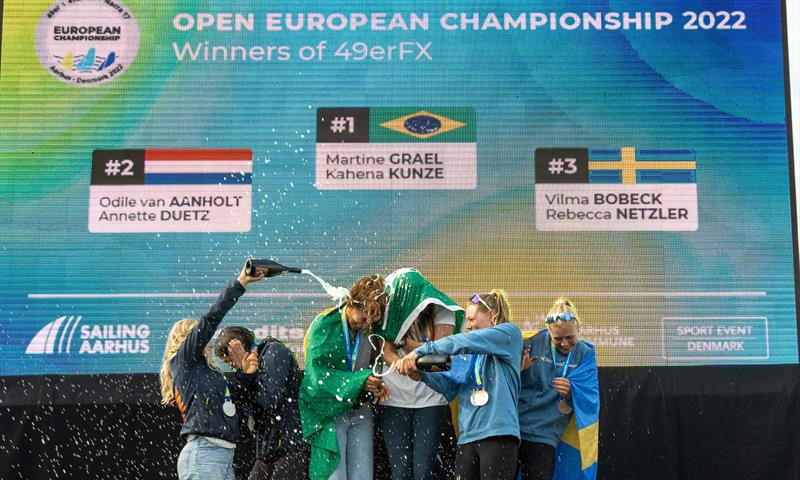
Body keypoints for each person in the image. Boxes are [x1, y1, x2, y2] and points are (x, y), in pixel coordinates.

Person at [395, 290, 523, 480]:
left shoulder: (509, 335)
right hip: (468, 437)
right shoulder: (468, 353)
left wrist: (422, 350)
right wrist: (421, 376)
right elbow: (449, 388)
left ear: (492, 314)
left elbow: (464, 341)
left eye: (471, 319)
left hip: (498, 434)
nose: (468, 326)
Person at [159, 265, 264, 480]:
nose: (208, 339)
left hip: (221, 455)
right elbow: (210, 320)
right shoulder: (182, 360)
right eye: (197, 333)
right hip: (204, 455)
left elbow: (234, 401)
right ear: (186, 339)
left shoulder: (206, 373)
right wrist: (240, 283)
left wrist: (245, 372)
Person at [299, 275, 389, 480]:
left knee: (363, 475)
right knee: (335, 475)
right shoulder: (324, 326)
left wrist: (376, 384)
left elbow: (375, 365)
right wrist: (359, 381)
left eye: (370, 320)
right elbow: (317, 376)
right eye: (363, 317)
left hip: (360, 409)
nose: (365, 324)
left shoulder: (370, 329)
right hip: (331, 410)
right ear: (352, 302)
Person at [517, 298, 599, 480]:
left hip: (546, 435)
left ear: (578, 328)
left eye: (570, 337)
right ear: (548, 332)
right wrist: (518, 370)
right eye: (557, 339)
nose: (564, 343)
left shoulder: (585, 354)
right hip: (515, 428)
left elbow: (590, 395)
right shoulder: (531, 342)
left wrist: (572, 393)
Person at [215, 326, 309, 480]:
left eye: (229, 360)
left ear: (239, 349)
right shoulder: (248, 370)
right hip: (269, 449)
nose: (230, 366)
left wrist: (247, 374)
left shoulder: (273, 352)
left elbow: (269, 399)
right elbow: (240, 412)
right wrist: (245, 375)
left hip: (289, 446)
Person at [376, 304, 457, 480]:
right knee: (400, 472)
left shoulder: (442, 310)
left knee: (424, 471)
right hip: (393, 399)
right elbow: (387, 352)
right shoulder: (391, 310)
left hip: (430, 399)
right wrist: (402, 364)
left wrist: (407, 344)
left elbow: (439, 357)